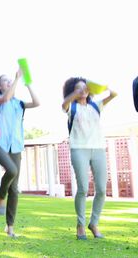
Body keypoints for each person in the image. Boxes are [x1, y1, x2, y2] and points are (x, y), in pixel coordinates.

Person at [62, 77, 116, 240]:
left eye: (85, 88)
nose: (82, 90)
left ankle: (94, 223)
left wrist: (100, 86)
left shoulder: (96, 105)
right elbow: (63, 105)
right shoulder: (72, 106)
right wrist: (74, 94)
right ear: (73, 91)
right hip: (79, 149)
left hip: (98, 148)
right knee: (83, 188)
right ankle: (80, 225)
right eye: (78, 88)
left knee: (101, 189)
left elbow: (114, 94)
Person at [0, 69, 39, 237]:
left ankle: (10, 227)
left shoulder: (19, 103)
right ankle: (1, 196)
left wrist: (28, 83)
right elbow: (6, 98)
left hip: (15, 147)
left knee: (15, 189)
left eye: (11, 80)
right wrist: (17, 78)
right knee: (12, 171)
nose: (9, 82)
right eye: (6, 81)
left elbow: (37, 103)